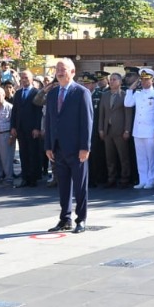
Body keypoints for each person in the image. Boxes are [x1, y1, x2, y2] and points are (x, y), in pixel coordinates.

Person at [42, 57, 93, 231]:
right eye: (57, 69)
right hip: (58, 148)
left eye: (63, 69)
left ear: (72, 72)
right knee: (63, 185)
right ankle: (65, 219)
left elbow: (87, 122)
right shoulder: (53, 94)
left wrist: (85, 147)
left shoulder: (81, 92)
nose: (60, 72)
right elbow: (49, 121)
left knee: (80, 186)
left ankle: (81, 219)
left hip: (77, 148)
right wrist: (48, 145)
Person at [124, 69, 154, 190]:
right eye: (143, 79)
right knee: (140, 157)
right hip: (138, 130)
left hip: (150, 130)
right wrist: (134, 85)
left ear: (152, 80)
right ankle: (142, 179)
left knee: (151, 157)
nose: (144, 82)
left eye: (147, 79)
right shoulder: (137, 94)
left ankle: (151, 180)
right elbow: (128, 103)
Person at [96, 71, 133, 189]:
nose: (111, 82)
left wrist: (127, 130)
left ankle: (125, 178)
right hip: (108, 130)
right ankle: (111, 178)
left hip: (120, 130)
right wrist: (101, 129)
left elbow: (128, 114)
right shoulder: (105, 95)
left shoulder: (124, 95)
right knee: (109, 157)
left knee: (123, 156)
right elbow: (101, 113)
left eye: (114, 80)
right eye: (110, 80)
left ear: (120, 82)